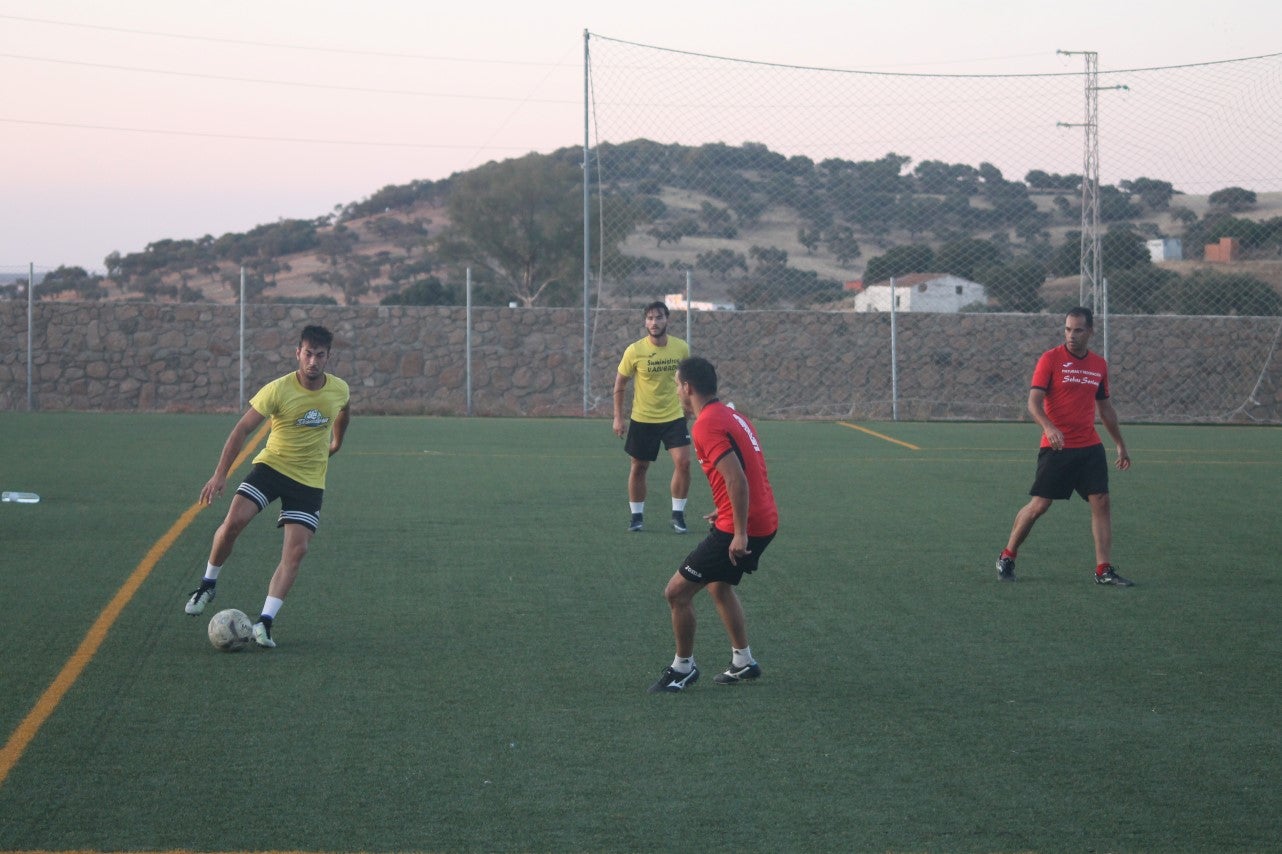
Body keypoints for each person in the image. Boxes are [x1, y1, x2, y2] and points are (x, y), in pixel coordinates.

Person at [184, 324, 352, 647]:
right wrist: (220, 474)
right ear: (297, 354)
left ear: (328, 357)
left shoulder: (339, 389)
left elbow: (344, 413)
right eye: (308, 354)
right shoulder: (278, 389)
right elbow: (241, 430)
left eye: (320, 355)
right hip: (271, 467)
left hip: (308, 480)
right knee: (233, 522)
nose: (313, 361)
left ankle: (265, 622)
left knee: (297, 550)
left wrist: (337, 442)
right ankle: (208, 583)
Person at [649, 356, 778, 693]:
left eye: (677, 385)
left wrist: (737, 531)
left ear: (688, 387)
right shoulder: (732, 415)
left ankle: (683, 669)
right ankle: (743, 661)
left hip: (744, 526)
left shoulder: (706, 424)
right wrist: (724, 510)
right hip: (760, 518)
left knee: (676, 593)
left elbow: (737, 479)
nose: (677, 391)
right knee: (717, 585)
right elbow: (749, 471)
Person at [996, 307, 1133, 586]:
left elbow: (1105, 409)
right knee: (1040, 505)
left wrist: (1119, 443)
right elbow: (1033, 403)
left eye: (1078, 330)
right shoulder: (1050, 359)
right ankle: (1008, 555)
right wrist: (1048, 427)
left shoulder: (1098, 365)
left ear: (1090, 331)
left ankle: (1103, 570)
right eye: (1068, 329)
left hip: (1089, 446)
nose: (1072, 335)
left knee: (1102, 502)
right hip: (1057, 447)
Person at [613, 300, 692, 533]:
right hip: (643, 418)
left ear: (667, 319)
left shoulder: (681, 348)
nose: (654, 322)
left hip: (674, 416)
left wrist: (690, 408)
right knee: (639, 467)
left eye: (658, 317)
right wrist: (618, 417)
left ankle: (678, 515)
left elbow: (688, 382)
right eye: (649, 318)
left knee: (684, 463)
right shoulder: (635, 350)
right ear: (645, 322)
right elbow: (620, 384)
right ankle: (636, 517)